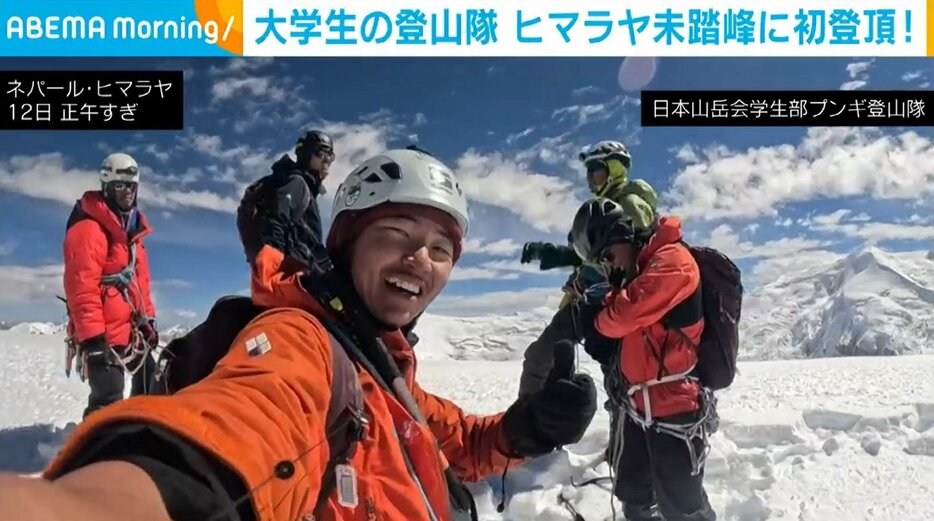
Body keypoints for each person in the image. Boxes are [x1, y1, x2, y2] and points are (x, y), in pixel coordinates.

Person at [0, 148, 598, 521]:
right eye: (396, 231)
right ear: (346, 244)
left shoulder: (381, 365)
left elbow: (451, 439)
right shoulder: (302, 339)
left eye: (442, 248)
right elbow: (246, 420)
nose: (422, 258)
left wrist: (530, 425)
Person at [571, 197, 717, 521]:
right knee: (634, 494)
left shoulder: (673, 262)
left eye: (607, 256)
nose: (609, 266)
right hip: (638, 407)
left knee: (682, 507)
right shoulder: (645, 270)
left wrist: (597, 318)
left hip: (675, 409)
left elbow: (626, 313)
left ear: (627, 234)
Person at [517, 140, 658, 398]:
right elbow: (591, 255)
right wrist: (550, 253)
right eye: (588, 171)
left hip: (611, 303)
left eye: (595, 169)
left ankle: (624, 434)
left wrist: (595, 282)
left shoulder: (629, 204)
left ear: (614, 168)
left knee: (617, 377)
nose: (590, 178)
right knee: (545, 358)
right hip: (590, 300)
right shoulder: (605, 205)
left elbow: (631, 259)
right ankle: (527, 428)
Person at [62, 152, 158, 418]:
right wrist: (93, 340)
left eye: (131, 186)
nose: (127, 192)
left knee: (151, 382)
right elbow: (80, 285)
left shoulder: (132, 231)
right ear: (106, 187)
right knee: (108, 397)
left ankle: (138, 430)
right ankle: (94, 452)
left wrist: (147, 320)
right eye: (119, 186)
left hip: (128, 326)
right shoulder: (90, 228)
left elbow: (141, 282)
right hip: (101, 330)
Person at [236, 129, 335, 272]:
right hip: (294, 275)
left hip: (303, 271)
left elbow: (307, 239)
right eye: (322, 154)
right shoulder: (296, 183)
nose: (327, 162)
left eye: (331, 157)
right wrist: (276, 270)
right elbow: (274, 221)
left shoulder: (303, 188)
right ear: (306, 155)